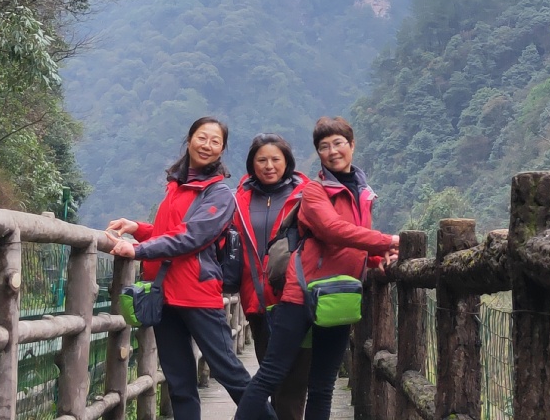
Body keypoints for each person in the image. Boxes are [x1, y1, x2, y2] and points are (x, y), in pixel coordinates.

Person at [106, 117, 272, 420]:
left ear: (222, 149)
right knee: (179, 382)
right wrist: (139, 229)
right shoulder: (177, 185)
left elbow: (192, 237)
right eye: (202, 138)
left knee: (229, 372)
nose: (207, 145)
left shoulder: (219, 193)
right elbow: (168, 232)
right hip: (165, 295)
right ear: (190, 139)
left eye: (215, 141)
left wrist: (139, 249)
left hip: (197, 294)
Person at [233, 116, 399, 420]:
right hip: (301, 294)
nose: (332, 151)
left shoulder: (362, 193)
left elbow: (356, 241)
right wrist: (387, 241)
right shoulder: (313, 191)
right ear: (318, 153)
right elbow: (332, 229)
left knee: (323, 385)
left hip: (340, 295)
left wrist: (379, 259)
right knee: (271, 373)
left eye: (338, 143)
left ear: (352, 145)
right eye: (324, 146)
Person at [234, 133, 311, 420]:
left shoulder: (305, 195)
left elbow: (332, 231)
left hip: (294, 298)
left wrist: (376, 254)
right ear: (251, 164)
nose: (269, 166)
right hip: (256, 300)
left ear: (287, 161)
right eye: (262, 160)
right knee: (270, 376)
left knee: (293, 382)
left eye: (275, 159)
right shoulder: (240, 199)